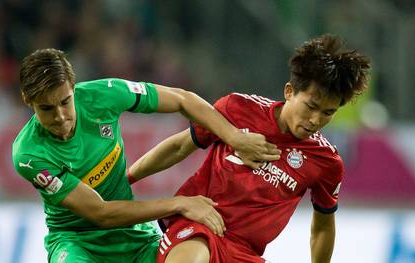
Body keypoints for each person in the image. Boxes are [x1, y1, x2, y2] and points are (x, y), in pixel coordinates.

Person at [11, 48, 280, 263]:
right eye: (46, 109)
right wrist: (179, 204)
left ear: (73, 87)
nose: (60, 116)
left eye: (65, 102)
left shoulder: (103, 95)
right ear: (27, 100)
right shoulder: (28, 154)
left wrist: (234, 137)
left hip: (133, 233)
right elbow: (100, 214)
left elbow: (182, 100)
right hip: (77, 241)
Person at [128, 34, 371, 263]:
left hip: (245, 253)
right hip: (197, 225)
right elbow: (180, 146)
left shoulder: (326, 161)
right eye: (311, 106)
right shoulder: (239, 109)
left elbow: (323, 226)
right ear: (289, 91)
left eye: (328, 113)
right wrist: (127, 178)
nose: (315, 120)